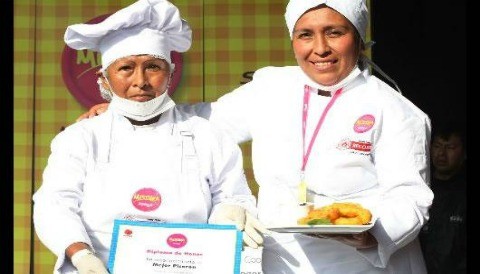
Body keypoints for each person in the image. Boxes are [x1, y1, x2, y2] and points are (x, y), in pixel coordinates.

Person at [79, 0, 434, 272]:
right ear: (293, 39)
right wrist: (122, 113)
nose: (320, 49)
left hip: (363, 262)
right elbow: (204, 122)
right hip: (281, 259)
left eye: (335, 32)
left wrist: (371, 234)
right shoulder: (272, 87)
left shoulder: (396, 110)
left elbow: (410, 197)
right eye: (305, 34)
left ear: (358, 37)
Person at [32, 1, 266, 274]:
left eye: (153, 67)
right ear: (104, 79)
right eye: (126, 68)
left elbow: (234, 196)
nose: (140, 80)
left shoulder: (207, 135)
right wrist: (82, 256)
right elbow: (54, 204)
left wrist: (229, 210)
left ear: (170, 74)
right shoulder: (80, 138)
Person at [419, 121, 467, 273]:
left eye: (450, 147)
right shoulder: (418, 189)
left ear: (464, 153)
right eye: (437, 146)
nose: (441, 153)